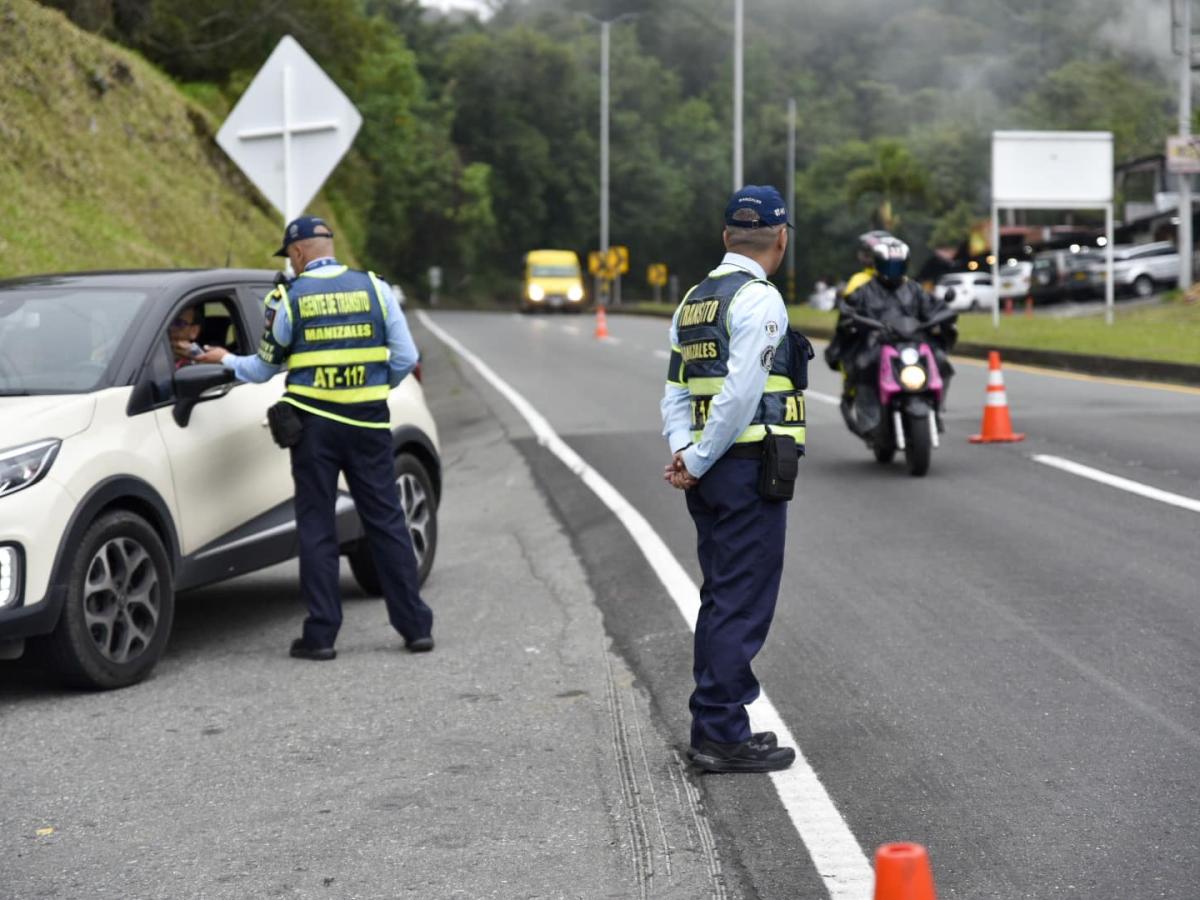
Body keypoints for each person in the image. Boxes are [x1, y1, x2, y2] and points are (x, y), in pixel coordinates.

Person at [196, 215, 434, 661]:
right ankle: (415, 627)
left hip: (315, 428)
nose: (291, 263)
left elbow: (263, 369)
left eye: (290, 255)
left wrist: (226, 359)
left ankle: (321, 636)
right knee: (386, 521)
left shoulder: (288, 297)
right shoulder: (376, 289)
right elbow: (405, 357)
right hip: (368, 423)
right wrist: (372, 389)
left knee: (318, 527)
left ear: (299, 252)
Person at [659, 185, 805, 774]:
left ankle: (716, 724)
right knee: (741, 604)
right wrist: (698, 458)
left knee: (721, 597)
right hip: (747, 469)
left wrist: (686, 453)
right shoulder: (759, 300)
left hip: (712, 473)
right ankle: (720, 733)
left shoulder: (694, 301)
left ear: (726, 238)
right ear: (781, 239)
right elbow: (743, 392)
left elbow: (674, 389)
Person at [827, 235, 957, 434]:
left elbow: (936, 307)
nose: (892, 272)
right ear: (878, 265)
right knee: (862, 365)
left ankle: (936, 409)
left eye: (897, 266)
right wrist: (854, 317)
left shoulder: (914, 289)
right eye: (888, 266)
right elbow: (848, 311)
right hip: (877, 344)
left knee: (942, 362)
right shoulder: (864, 291)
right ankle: (869, 418)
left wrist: (944, 313)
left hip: (912, 343)